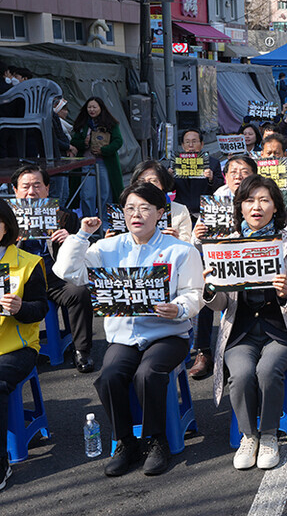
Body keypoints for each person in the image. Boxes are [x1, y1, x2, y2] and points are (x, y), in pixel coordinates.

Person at [54, 182, 204, 476]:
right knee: (109, 376)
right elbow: (68, 272)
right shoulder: (109, 247)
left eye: (145, 208)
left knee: (147, 374)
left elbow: (194, 292)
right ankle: (125, 441)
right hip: (124, 336)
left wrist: (180, 308)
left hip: (168, 334)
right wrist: (82, 235)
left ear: (161, 212)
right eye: (130, 208)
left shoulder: (180, 250)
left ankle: (156, 440)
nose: (137, 214)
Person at [202, 175, 287, 470]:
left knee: (268, 370)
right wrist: (210, 289)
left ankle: (268, 435)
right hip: (240, 333)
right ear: (239, 207)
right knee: (240, 374)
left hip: (280, 332)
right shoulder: (224, 246)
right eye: (249, 200)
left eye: (264, 200)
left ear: (276, 208)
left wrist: (286, 292)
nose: (257, 207)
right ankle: (248, 435)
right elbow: (220, 305)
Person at [11, 164, 96, 373]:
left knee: (79, 292)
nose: (32, 192)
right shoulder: (6, 221)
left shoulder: (66, 218)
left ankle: (82, 351)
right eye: (26, 187)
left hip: (55, 278)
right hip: (20, 280)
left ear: (47, 189)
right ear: (15, 191)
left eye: (37, 185)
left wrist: (71, 239)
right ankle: (12, 349)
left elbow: (86, 252)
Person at [190, 154, 259, 379]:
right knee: (204, 287)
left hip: (252, 262)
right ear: (225, 177)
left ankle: (239, 352)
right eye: (233, 172)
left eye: (244, 172)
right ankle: (204, 352)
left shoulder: (262, 196)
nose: (238, 177)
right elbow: (198, 242)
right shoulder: (218, 198)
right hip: (221, 262)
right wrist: (198, 235)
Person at [0, 199, 48, 491]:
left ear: (5, 225)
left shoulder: (27, 264)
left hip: (17, 348)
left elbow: (40, 309)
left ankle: (1, 463)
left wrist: (20, 308)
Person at [70, 97, 123, 217]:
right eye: (89, 107)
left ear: (101, 108)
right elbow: (74, 141)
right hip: (86, 163)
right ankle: (89, 221)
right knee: (87, 194)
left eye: (94, 107)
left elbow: (118, 141)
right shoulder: (83, 124)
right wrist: (84, 142)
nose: (91, 110)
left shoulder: (111, 124)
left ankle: (105, 223)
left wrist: (103, 150)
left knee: (105, 194)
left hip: (104, 163)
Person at [131, 160, 193, 241]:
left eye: (153, 181)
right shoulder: (129, 210)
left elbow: (187, 246)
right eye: (142, 181)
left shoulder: (179, 211)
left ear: (163, 184)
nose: (147, 185)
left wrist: (177, 241)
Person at [172, 129, 224, 217]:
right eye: (187, 142)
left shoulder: (213, 163)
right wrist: (168, 177)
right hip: (181, 210)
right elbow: (168, 188)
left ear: (202, 144)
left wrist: (211, 178)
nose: (191, 145)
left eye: (194, 141)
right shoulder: (176, 163)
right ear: (183, 145)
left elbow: (220, 187)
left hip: (205, 209)